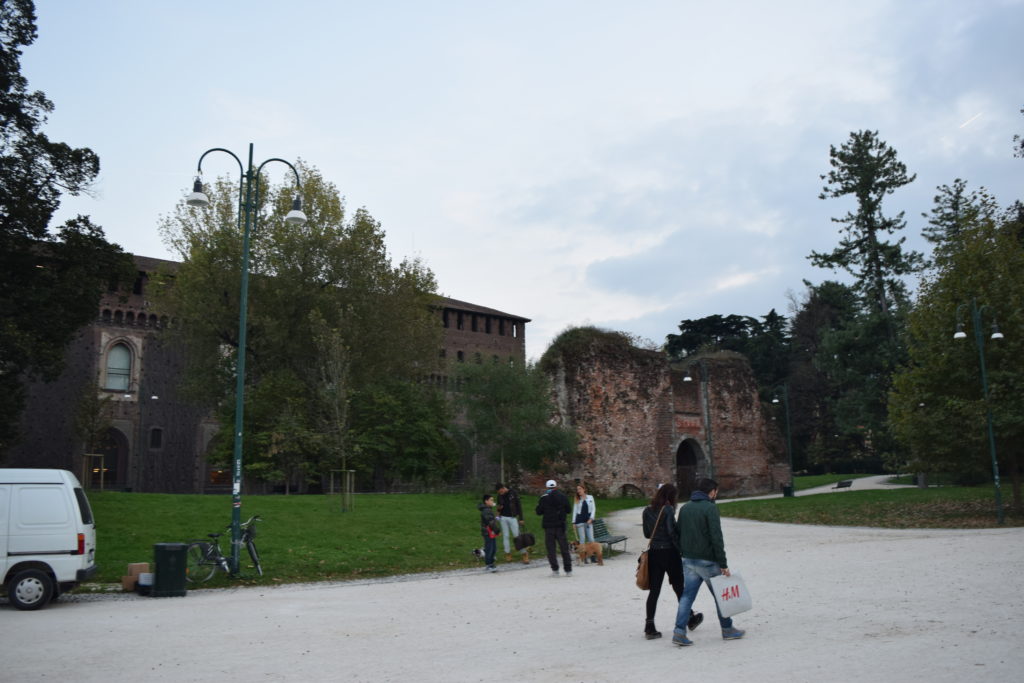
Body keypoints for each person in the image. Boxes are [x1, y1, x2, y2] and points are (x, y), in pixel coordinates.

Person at [672, 478, 746, 646]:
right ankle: (727, 629)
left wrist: (684, 553)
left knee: (686, 597)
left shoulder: (685, 508)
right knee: (721, 596)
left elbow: (678, 533)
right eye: (716, 492)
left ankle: (679, 631)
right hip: (707, 561)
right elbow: (716, 538)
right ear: (711, 492)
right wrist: (723, 563)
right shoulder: (710, 508)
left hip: (688, 560)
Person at [641, 483, 703, 639]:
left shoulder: (647, 510)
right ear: (671, 496)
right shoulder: (668, 509)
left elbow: (647, 534)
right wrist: (682, 549)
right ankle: (689, 618)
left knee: (654, 591)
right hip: (669, 553)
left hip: (654, 553)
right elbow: (671, 532)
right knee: (679, 587)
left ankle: (649, 626)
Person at [535, 479, 573, 577]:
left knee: (551, 549)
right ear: (556, 486)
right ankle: (568, 570)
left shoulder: (543, 498)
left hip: (549, 526)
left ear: (547, 487)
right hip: (560, 525)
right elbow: (569, 510)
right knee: (564, 548)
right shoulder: (563, 496)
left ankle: (555, 570)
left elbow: (539, 512)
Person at [496, 482, 528, 564]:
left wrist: (521, 518)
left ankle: (524, 554)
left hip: (513, 517)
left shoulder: (513, 493)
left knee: (517, 535)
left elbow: (519, 505)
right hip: (503, 518)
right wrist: (499, 509)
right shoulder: (499, 495)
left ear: (503, 488)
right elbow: (498, 507)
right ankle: (508, 553)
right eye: (499, 492)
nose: (500, 493)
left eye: (501, 491)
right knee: (505, 536)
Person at [572, 483, 596, 554]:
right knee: (582, 539)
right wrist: (573, 522)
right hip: (580, 521)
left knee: (591, 539)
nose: (578, 491)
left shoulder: (590, 497)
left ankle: (592, 555)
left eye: (580, 489)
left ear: (584, 489)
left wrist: (591, 518)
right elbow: (575, 510)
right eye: (577, 489)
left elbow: (593, 509)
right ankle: (582, 556)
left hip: (589, 520)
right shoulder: (577, 499)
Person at [478, 494, 500, 572]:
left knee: (493, 548)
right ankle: (489, 564)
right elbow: (490, 522)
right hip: (488, 532)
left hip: (491, 532)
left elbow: (492, 521)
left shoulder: (488, 509)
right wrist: (497, 530)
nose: (492, 501)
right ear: (486, 501)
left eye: (493, 500)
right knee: (490, 548)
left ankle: (491, 563)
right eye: (491, 500)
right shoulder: (486, 510)